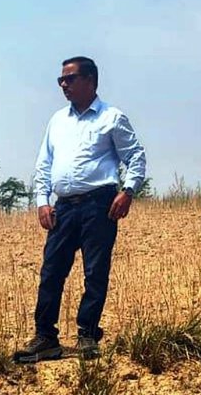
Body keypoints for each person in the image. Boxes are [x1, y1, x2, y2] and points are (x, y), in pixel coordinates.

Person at [13, 56, 148, 363]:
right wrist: (42, 200)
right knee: (51, 271)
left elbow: (135, 157)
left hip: (99, 205)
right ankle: (45, 337)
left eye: (70, 78)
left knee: (95, 272)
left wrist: (128, 191)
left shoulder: (111, 117)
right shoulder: (57, 120)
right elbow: (44, 163)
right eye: (61, 80)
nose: (64, 84)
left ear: (90, 80)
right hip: (63, 207)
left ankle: (87, 334)